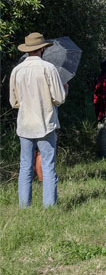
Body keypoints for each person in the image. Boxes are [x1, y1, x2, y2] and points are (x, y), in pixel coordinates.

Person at [10, 33, 67, 208]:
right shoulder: (49, 68)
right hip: (45, 122)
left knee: (25, 166)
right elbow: (59, 98)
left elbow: (14, 102)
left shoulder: (17, 70)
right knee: (48, 166)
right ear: (42, 49)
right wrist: (65, 89)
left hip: (25, 124)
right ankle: (49, 206)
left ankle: (24, 206)